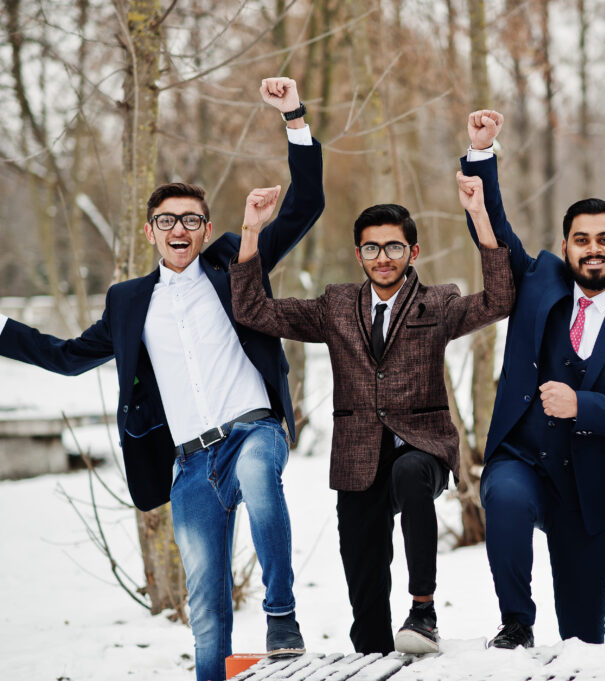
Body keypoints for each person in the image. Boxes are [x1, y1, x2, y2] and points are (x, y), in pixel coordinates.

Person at [0, 78, 323, 681]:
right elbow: (68, 355)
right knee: (205, 608)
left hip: (254, 430)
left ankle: (281, 614)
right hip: (190, 466)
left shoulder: (235, 260)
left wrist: (293, 117)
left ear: (204, 230)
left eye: (192, 220)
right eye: (167, 220)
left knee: (258, 475)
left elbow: (305, 207)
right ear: (151, 231)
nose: (181, 229)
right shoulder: (129, 302)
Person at [229, 175, 513, 655]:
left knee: (409, 472)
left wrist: (481, 219)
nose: (384, 257)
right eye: (373, 248)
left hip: (422, 444)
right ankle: (374, 650)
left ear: (413, 252)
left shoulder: (436, 302)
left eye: (394, 247)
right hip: (357, 455)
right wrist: (252, 232)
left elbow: (499, 299)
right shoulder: (336, 305)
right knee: (364, 581)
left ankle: (422, 611)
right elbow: (254, 310)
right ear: (359, 254)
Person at [458, 110, 605, 649]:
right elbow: (496, 233)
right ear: (567, 245)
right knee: (504, 497)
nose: (593, 248)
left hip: (587, 488)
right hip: (523, 456)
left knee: (584, 635)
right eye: (581, 239)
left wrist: (583, 404)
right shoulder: (539, 280)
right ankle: (515, 623)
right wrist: (483, 152)